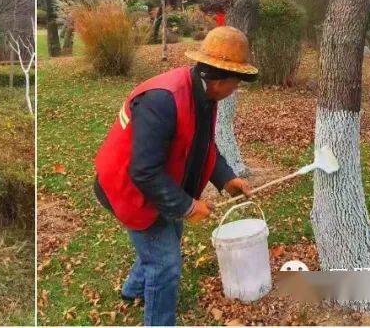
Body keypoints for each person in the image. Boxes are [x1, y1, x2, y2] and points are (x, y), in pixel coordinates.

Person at [93, 26, 258, 325]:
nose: (237, 88)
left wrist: (226, 179)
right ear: (220, 80)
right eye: (237, 81)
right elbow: (143, 171)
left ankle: (133, 289)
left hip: (154, 182)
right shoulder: (163, 100)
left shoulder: (205, 95)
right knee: (165, 261)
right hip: (125, 186)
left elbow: (203, 145)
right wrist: (187, 206)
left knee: (168, 235)